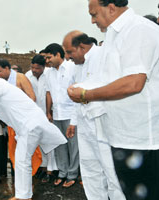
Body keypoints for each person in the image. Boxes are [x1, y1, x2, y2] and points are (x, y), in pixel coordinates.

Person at [68, 0, 159, 199]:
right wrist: (84, 86)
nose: (92, 21)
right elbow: (108, 78)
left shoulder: (139, 30)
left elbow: (133, 83)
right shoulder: (113, 35)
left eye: (94, 14)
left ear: (111, 7)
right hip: (120, 135)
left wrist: (86, 95)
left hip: (142, 140)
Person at [68, 33, 125, 200]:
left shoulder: (103, 55)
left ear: (82, 48)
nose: (69, 58)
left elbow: (109, 86)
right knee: (90, 167)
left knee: (110, 169)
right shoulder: (78, 65)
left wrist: (82, 92)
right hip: (84, 121)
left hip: (102, 119)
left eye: (70, 53)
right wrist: (74, 121)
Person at [0, 59, 42, 179]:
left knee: (28, 151)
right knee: (15, 152)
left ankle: (31, 176)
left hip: (24, 122)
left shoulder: (20, 78)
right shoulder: (1, 82)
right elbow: (4, 104)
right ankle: (19, 176)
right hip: (11, 123)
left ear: (7, 68)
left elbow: (32, 98)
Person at [44, 43, 79, 188]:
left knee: (73, 146)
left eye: (49, 57)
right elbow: (49, 93)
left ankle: (72, 175)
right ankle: (62, 173)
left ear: (58, 54)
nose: (47, 61)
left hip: (71, 114)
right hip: (56, 114)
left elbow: (77, 92)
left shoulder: (72, 68)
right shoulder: (48, 73)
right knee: (59, 145)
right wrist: (48, 112)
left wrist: (75, 119)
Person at [26, 55, 57, 183]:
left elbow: (51, 93)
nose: (34, 70)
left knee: (50, 143)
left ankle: (51, 170)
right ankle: (43, 168)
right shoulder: (28, 76)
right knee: (39, 142)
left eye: (37, 68)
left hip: (48, 113)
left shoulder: (49, 74)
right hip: (34, 115)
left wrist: (50, 113)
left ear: (44, 67)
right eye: (32, 67)